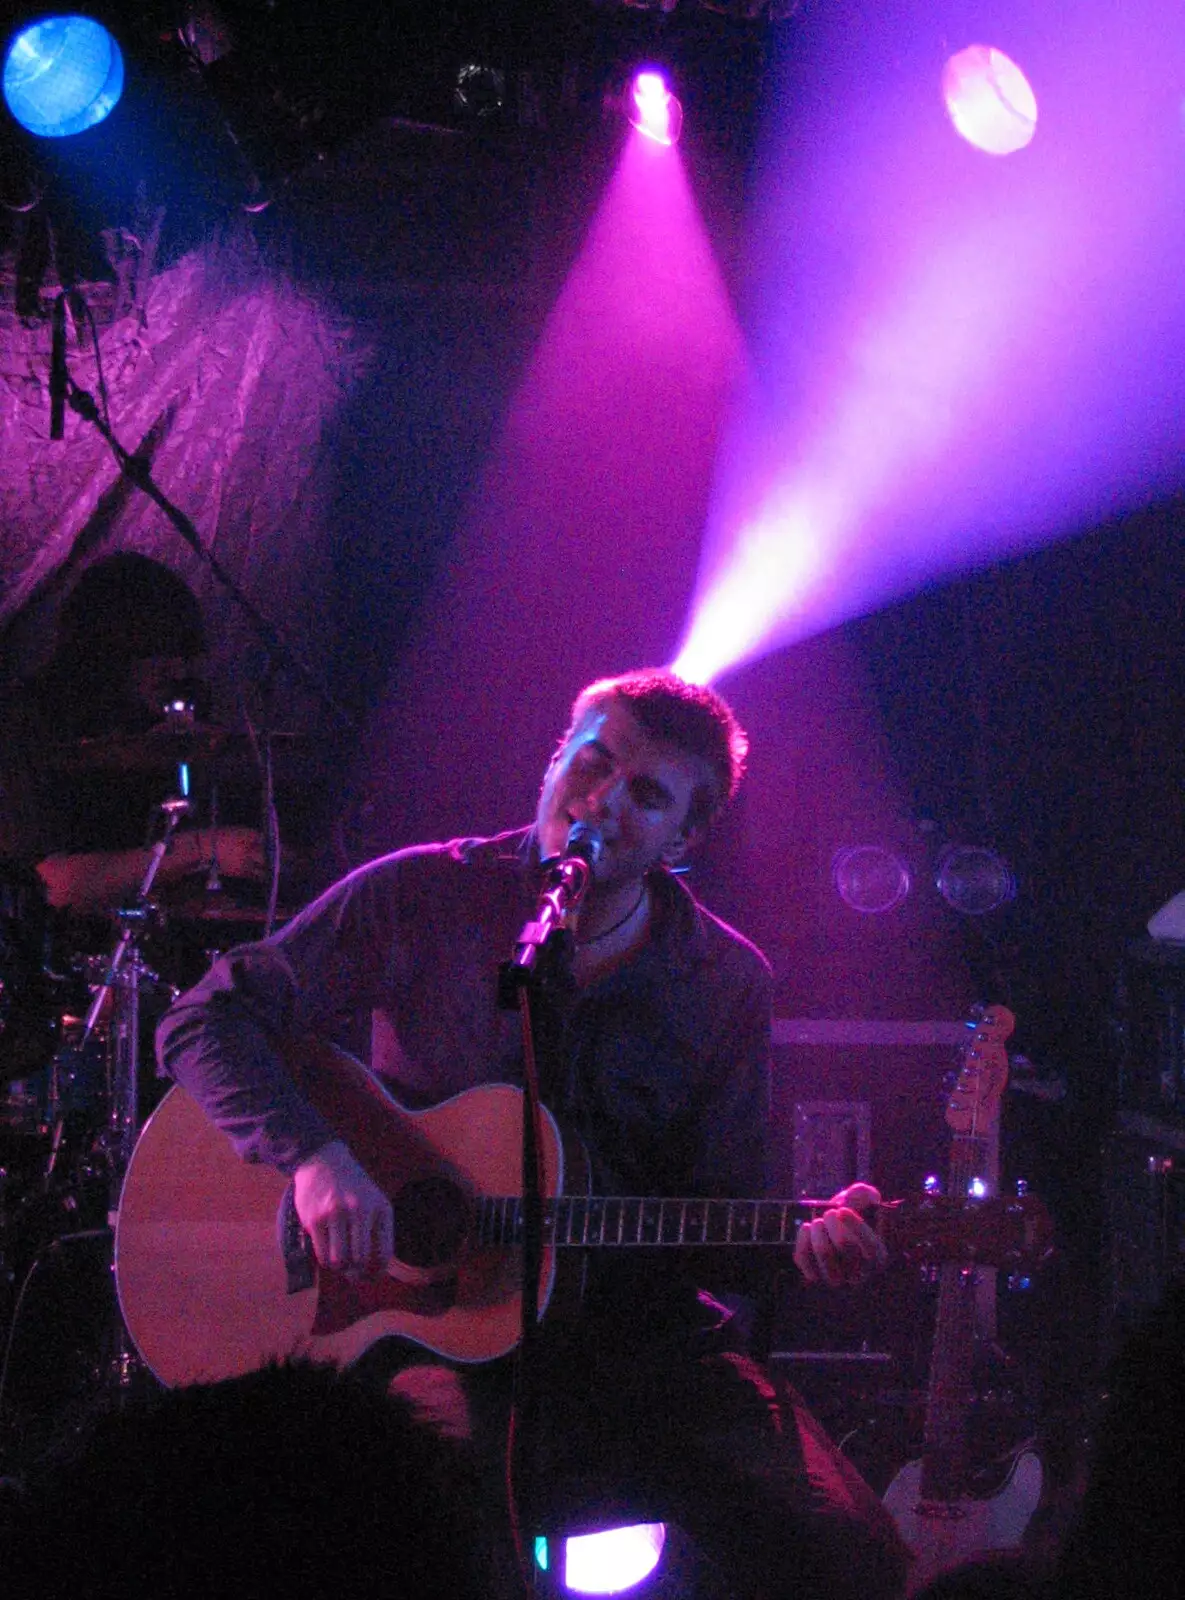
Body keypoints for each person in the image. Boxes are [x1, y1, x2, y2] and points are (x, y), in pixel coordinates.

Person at [155, 668, 909, 1600]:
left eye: (644, 796)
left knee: (844, 1551)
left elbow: (724, 1229)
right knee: (432, 1536)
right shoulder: (423, 893)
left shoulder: (723, 982)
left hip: (629, 1342)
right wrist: (316, 1157)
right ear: (553, 760)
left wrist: (803, 1242)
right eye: (591, 764)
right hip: (425, 1335)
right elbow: (203, 1020)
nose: (601, 800)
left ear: (684, 837)